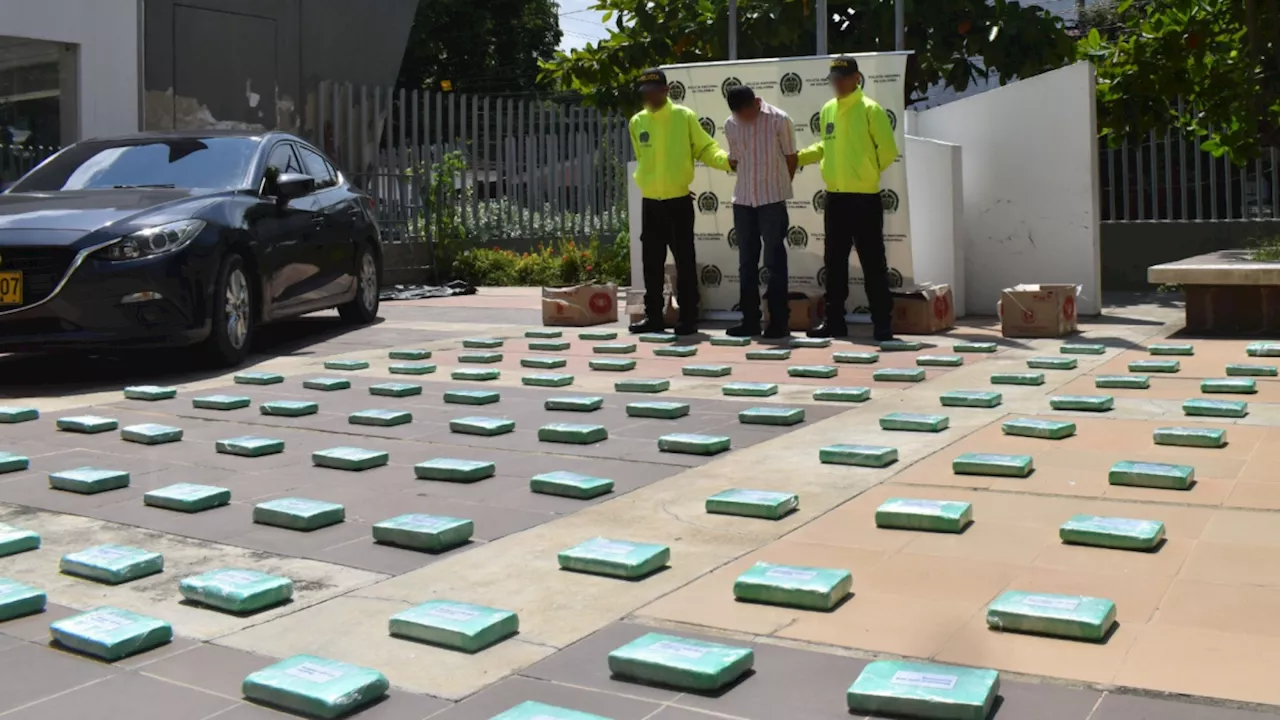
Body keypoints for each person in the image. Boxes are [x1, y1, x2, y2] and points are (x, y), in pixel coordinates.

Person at [797, 56, 899, 340]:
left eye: (843, 77)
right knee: (834, 262)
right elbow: (826, 146)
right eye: (834, 79)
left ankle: (882, 323)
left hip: (864, 197)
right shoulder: (828, 109)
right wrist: (800, 157)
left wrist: (865, 171)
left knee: (873, 262)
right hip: (835, 199)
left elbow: (888, 151)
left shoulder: (870, 109)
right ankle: (835, 322)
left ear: (857, 78)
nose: (838, 84)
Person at [628, 68, 732, 336]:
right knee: (651, 263)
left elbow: (705, 147)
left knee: (685, 261)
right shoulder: (637, 122)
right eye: (644, 94)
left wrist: (726, 161)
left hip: (678, 202)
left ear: (665, 90)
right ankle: (653, 317)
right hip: (651, 202)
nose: (648, 98)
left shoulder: (683, 116)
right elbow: (643, 159)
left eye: (652, 92)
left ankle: (687, 318)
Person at [722, 85, 797, 338]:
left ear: (755, 103)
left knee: (774, 261)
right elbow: (734, 159)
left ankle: (779, 322)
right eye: (736, 114)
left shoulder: (779, 119)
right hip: (743, 200)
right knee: (746, 263)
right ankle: (750, 321)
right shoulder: (730, 125)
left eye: (744, 112)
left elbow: (791, 157)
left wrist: (780, 185)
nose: (741, 118)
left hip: (772, 200)